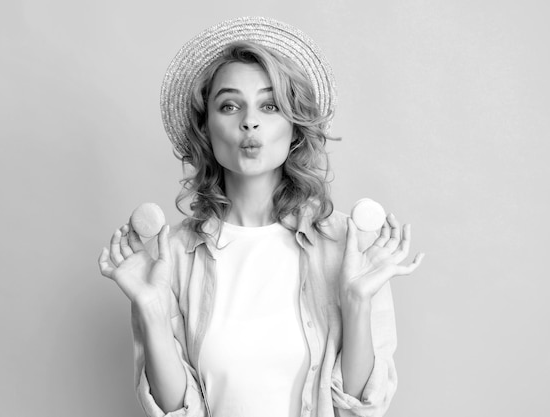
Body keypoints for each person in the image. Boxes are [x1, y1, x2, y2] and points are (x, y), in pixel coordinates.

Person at [98, 16, 424, 417]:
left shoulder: (348, 244)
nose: (249, 121)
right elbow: (175, 411)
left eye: (269, 105)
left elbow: (358, 411)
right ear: (206, 128)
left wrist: (357, 299)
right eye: (230, 105)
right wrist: (150, 309)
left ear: (294, 125)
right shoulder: (173, 257)